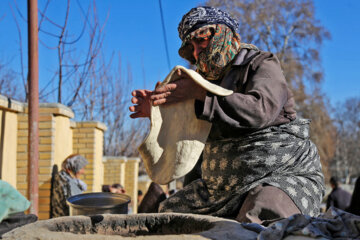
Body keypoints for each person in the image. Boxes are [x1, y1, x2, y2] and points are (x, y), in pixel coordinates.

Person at [130, 6, 325, 224]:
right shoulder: (200, 83)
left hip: (282, 178)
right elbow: (191, 146)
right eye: (191, 47)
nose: (196, 53)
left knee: (261, 215)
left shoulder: (261, 64)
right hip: (219, 190)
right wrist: (159, 112)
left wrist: (200, 94)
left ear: (223, 33)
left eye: (201, 41)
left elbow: (260, 110)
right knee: (171, 217)